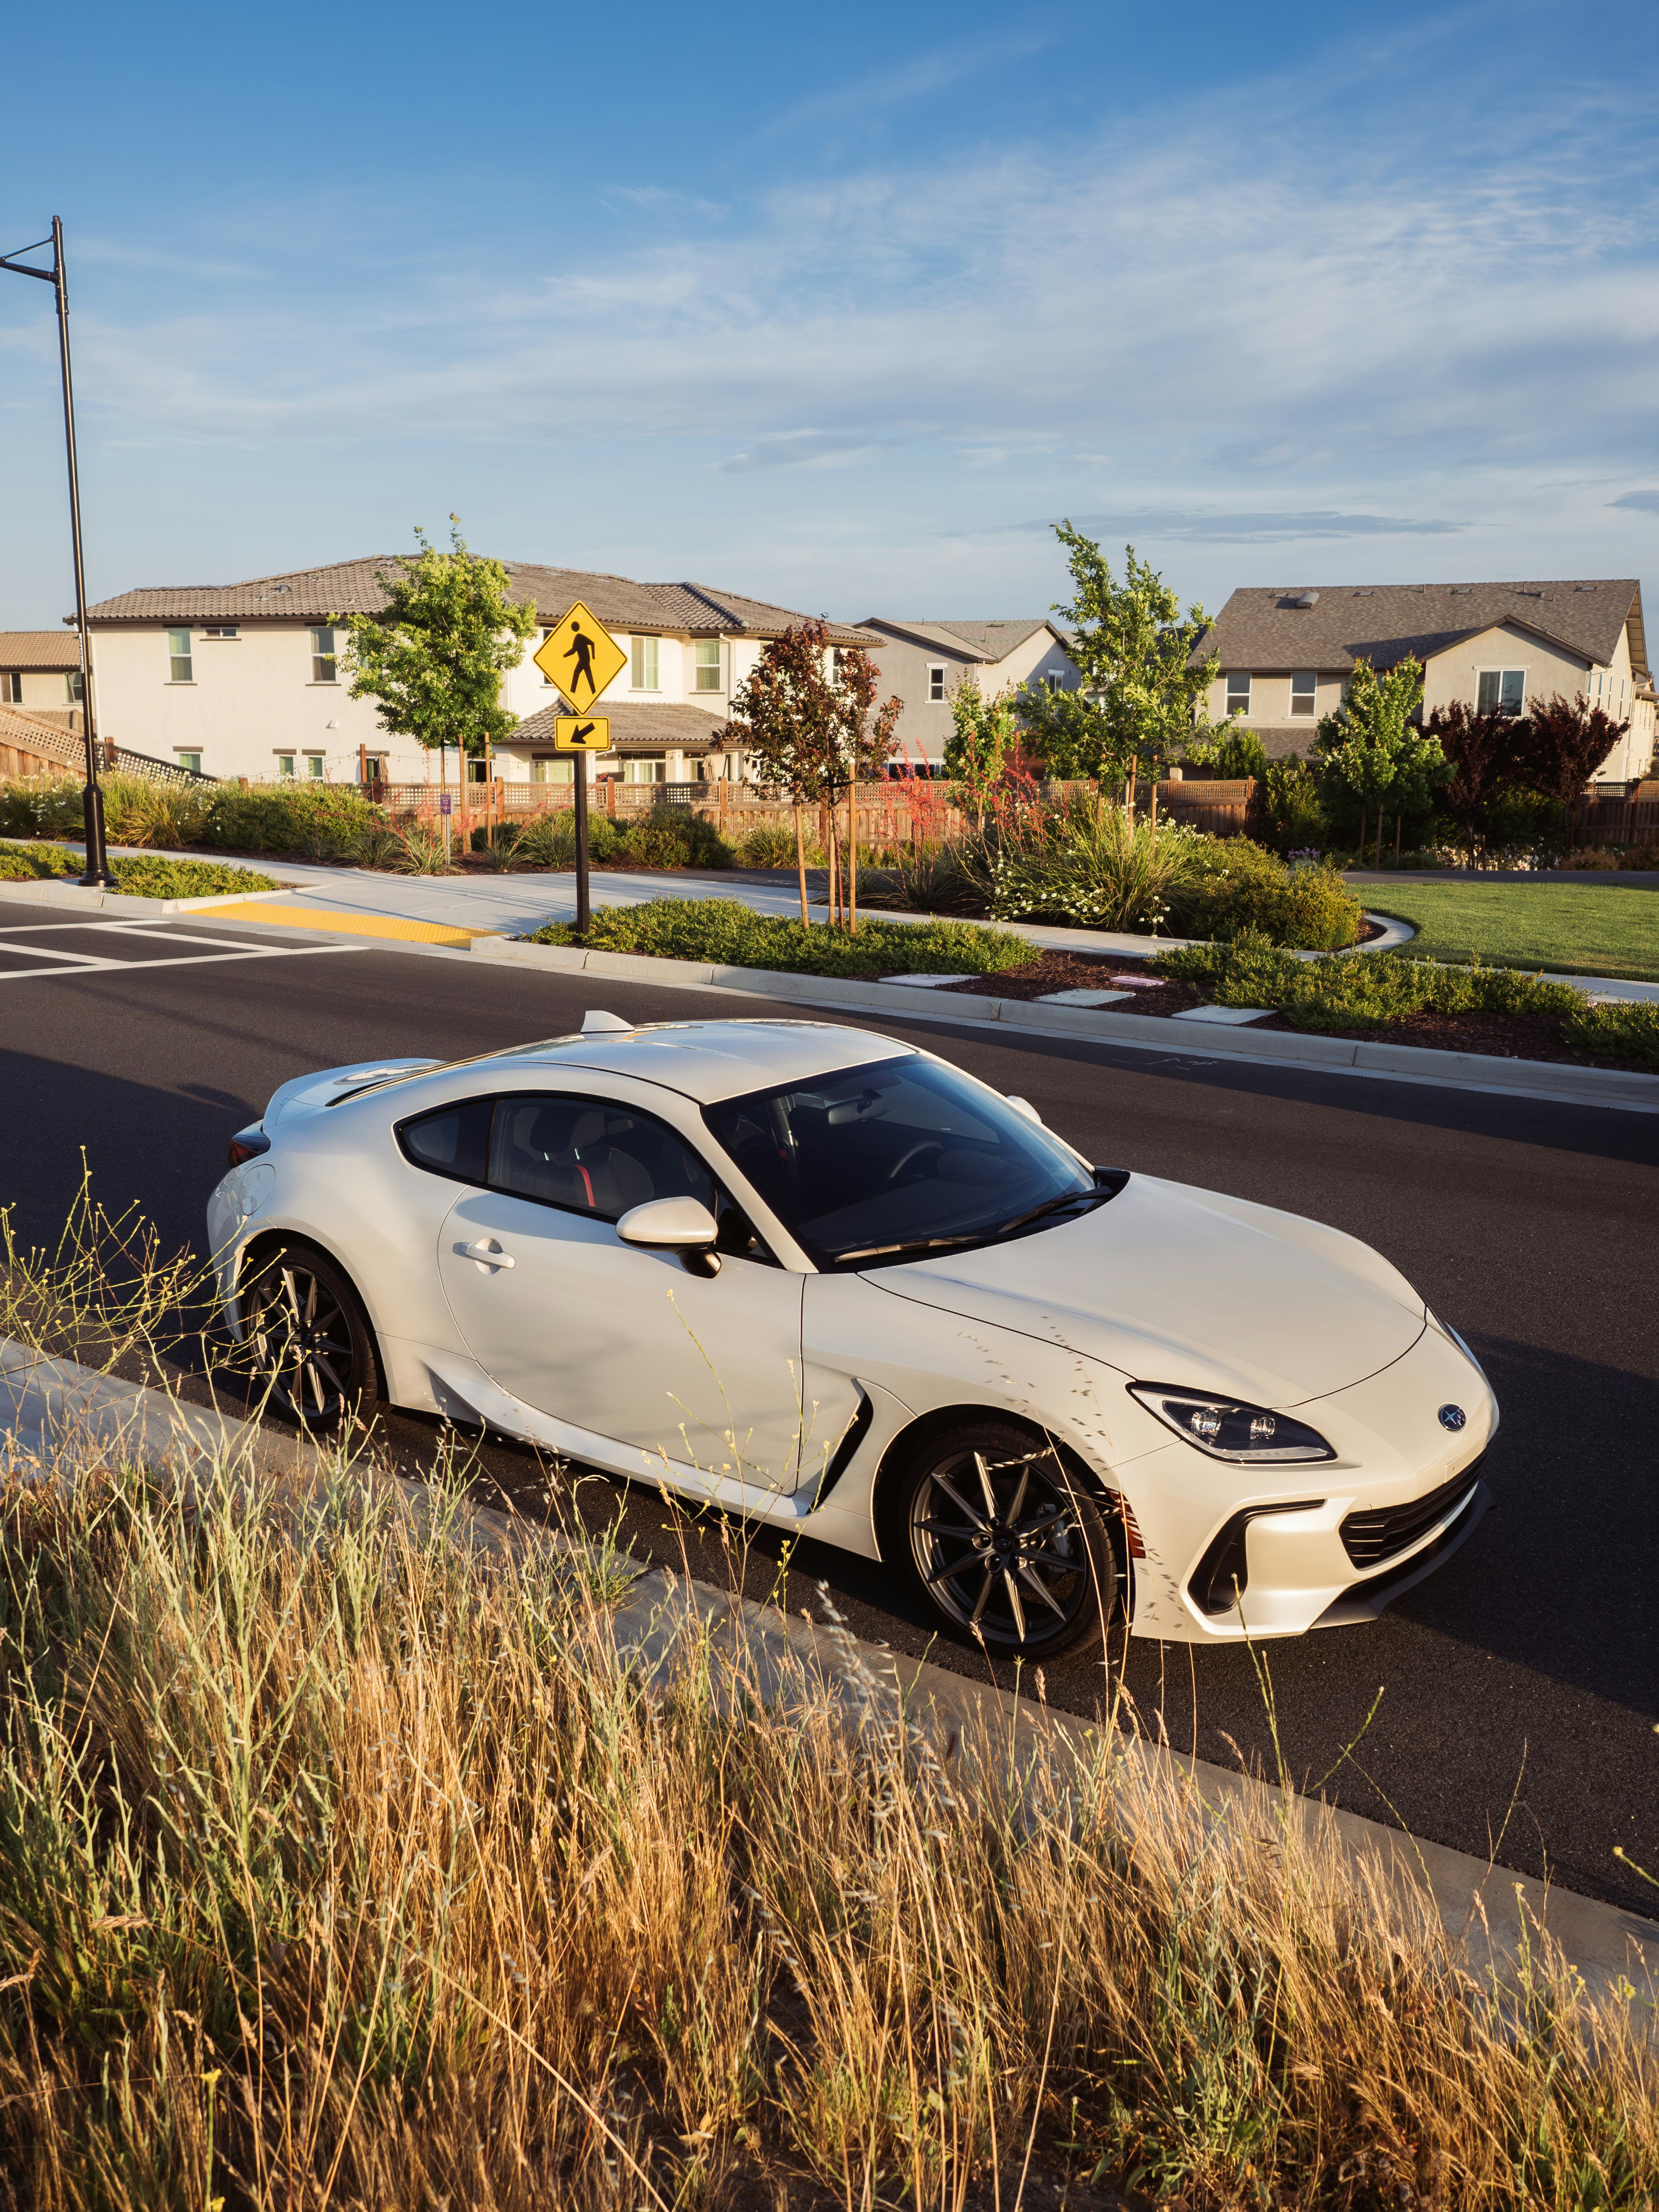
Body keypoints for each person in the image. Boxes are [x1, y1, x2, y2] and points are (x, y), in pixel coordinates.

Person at [563, 621, 599, 700]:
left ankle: (573, 692)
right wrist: (564, 656)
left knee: (576, 674)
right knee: (589, 677)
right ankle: (594, 692)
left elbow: (592, 643)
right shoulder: (578, 637)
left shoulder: (579, 637)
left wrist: (593, 656)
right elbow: (574, 651)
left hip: (584, 661)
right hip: (585, 660)